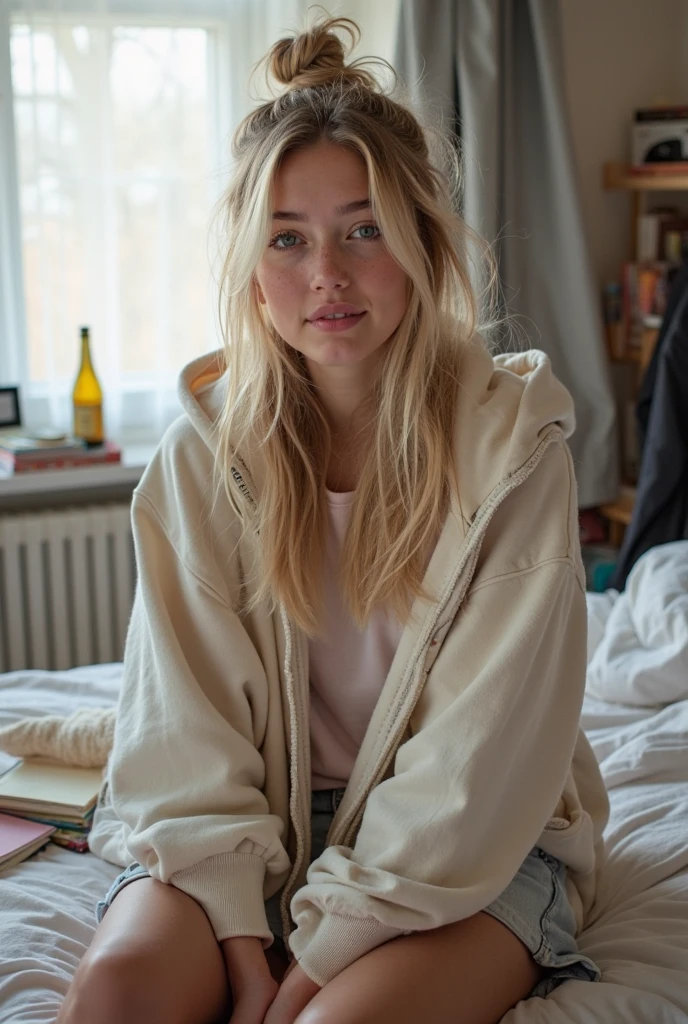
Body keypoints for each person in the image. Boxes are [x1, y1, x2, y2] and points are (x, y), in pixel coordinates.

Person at [57, 14, 609, 1024]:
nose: (328, 275)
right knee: (117, 993)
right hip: (253, 820)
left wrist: (305, 974)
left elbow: (477, 764)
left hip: (464, 844)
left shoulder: (513, 454)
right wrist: (242, 947)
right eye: (288, 239)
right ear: (250, 268)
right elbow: (183, 729)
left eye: (364, 229)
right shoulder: (199, 459)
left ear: (422, 242)